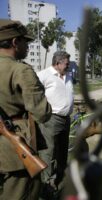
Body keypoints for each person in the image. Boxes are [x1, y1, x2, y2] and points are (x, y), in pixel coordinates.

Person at [0, 19, 52, 200]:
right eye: (25, 41)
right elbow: (43, 113)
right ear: (15, 42)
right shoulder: (21, 70)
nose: (27, 46)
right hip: (14, 148)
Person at [37, 51, 73, 198]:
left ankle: (61, 177)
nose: (68, 66)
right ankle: (48, 184)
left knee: (63, 151)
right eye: (66, 63)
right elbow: (35, 95)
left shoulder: (69, 75)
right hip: (51, 119)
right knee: (49, 152)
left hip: (66, 119)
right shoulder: (43, 75)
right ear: (57, 63)